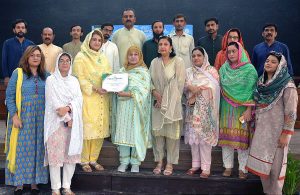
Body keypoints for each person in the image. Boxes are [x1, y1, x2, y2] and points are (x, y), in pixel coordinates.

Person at [246, 51, 297, 195]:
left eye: (273, 62)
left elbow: (291, 112)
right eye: (267, 60)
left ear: (280, 66)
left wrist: (286, 134)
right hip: (262, 132)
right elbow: (255, 102)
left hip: (277, 134)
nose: (268, 63)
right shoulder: (261, 84)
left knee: (276, 169)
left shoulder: (288, 86)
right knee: (263, 169)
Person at [5, 45, 49, 194]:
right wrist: (15, 116)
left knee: (38, 149)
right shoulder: (18, 73)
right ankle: (19, 183)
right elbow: (9, 96)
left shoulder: (46, 75)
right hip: (22, 118)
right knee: (21, 150)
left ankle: (35, 183)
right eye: (32, 55)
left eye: (38, 55)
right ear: (27, 57)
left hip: (41, 119)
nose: (36, 57)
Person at [72, 29, 112, 172]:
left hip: (102, 98)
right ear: (89, 40)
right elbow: (78, 78)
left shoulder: (103, 57)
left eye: (99, 40)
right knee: (87, 129)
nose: (97, 42)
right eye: (94, 39)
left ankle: (93, 159)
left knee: (99, 128)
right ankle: (83, 160)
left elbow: (108, 75)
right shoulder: (81, 57)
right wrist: (94, 88)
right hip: (87, 97)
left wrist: (111, 84)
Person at [44, 52, 83, 195]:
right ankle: (55, 188)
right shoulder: (51, 80)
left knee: (70, 156)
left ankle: (66, 187)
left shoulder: (74, 81)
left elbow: (79, 100)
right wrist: (67, 117)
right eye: (62, 60)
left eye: (67, 61)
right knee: (55, 156)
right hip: (56, 124)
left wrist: (68, 109)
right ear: (57, 63)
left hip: (73, 124)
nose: (65, 63)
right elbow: (53, 102)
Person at [218, 42, 258, 179]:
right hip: (226, 108)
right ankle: (228, 167)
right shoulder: (224, 69)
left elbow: (253, 92)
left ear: (240, 52)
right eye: (228, 52)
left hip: (243, 110)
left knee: (242, 140)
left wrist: (248, 110)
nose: (231, 54)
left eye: (234, 51)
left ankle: (243, 169)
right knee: (227, 139)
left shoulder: (250, 70)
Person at [111, 46, 152, 173]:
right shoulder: (121, 71)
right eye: (130, 54)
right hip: (123, 107)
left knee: (135, 134)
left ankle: (135, 162)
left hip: (137, 108)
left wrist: (128, 94)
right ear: (127, 57)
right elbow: (114, 86)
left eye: (136, 54)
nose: (133, 57)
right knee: (123, 133)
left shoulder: (143, 72)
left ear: (140, 57)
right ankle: (124, 161)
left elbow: (145, 91)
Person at [150, 36, 185, 176]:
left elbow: (180, 84)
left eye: (166, 44)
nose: (163, 46)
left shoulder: (178, 61)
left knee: (172, 136)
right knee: (158, 134)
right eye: (160, 44)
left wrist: (167, 100)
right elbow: (149, 81)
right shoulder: (154, 62)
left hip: (172, 105)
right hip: (157, 103)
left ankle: (170, 163)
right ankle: (159, 161)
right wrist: (156, 95)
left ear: (171, 47)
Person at [184, 47, 220, 178]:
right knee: (194, 138)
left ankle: (206, 167)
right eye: (193, 56)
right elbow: (185, 85)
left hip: (206, 111)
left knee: (204, 140)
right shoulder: (188, 71)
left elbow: (214, 88)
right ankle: (195, 164)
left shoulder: (211, 71)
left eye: (199, 55)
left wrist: (198, 89)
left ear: (204, 57)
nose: (196, 58)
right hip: (192, 108)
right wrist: (190, 89)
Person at [2, 19, 34, 86]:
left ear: (25, 30)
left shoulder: (31, 44)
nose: (20, 30)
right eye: (18, 27)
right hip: (12, 77)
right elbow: (4, 60)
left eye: (23, 28)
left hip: (28, 77)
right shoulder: (7, 43)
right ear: (14, 30)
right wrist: (6, 76)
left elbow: (33, 61)